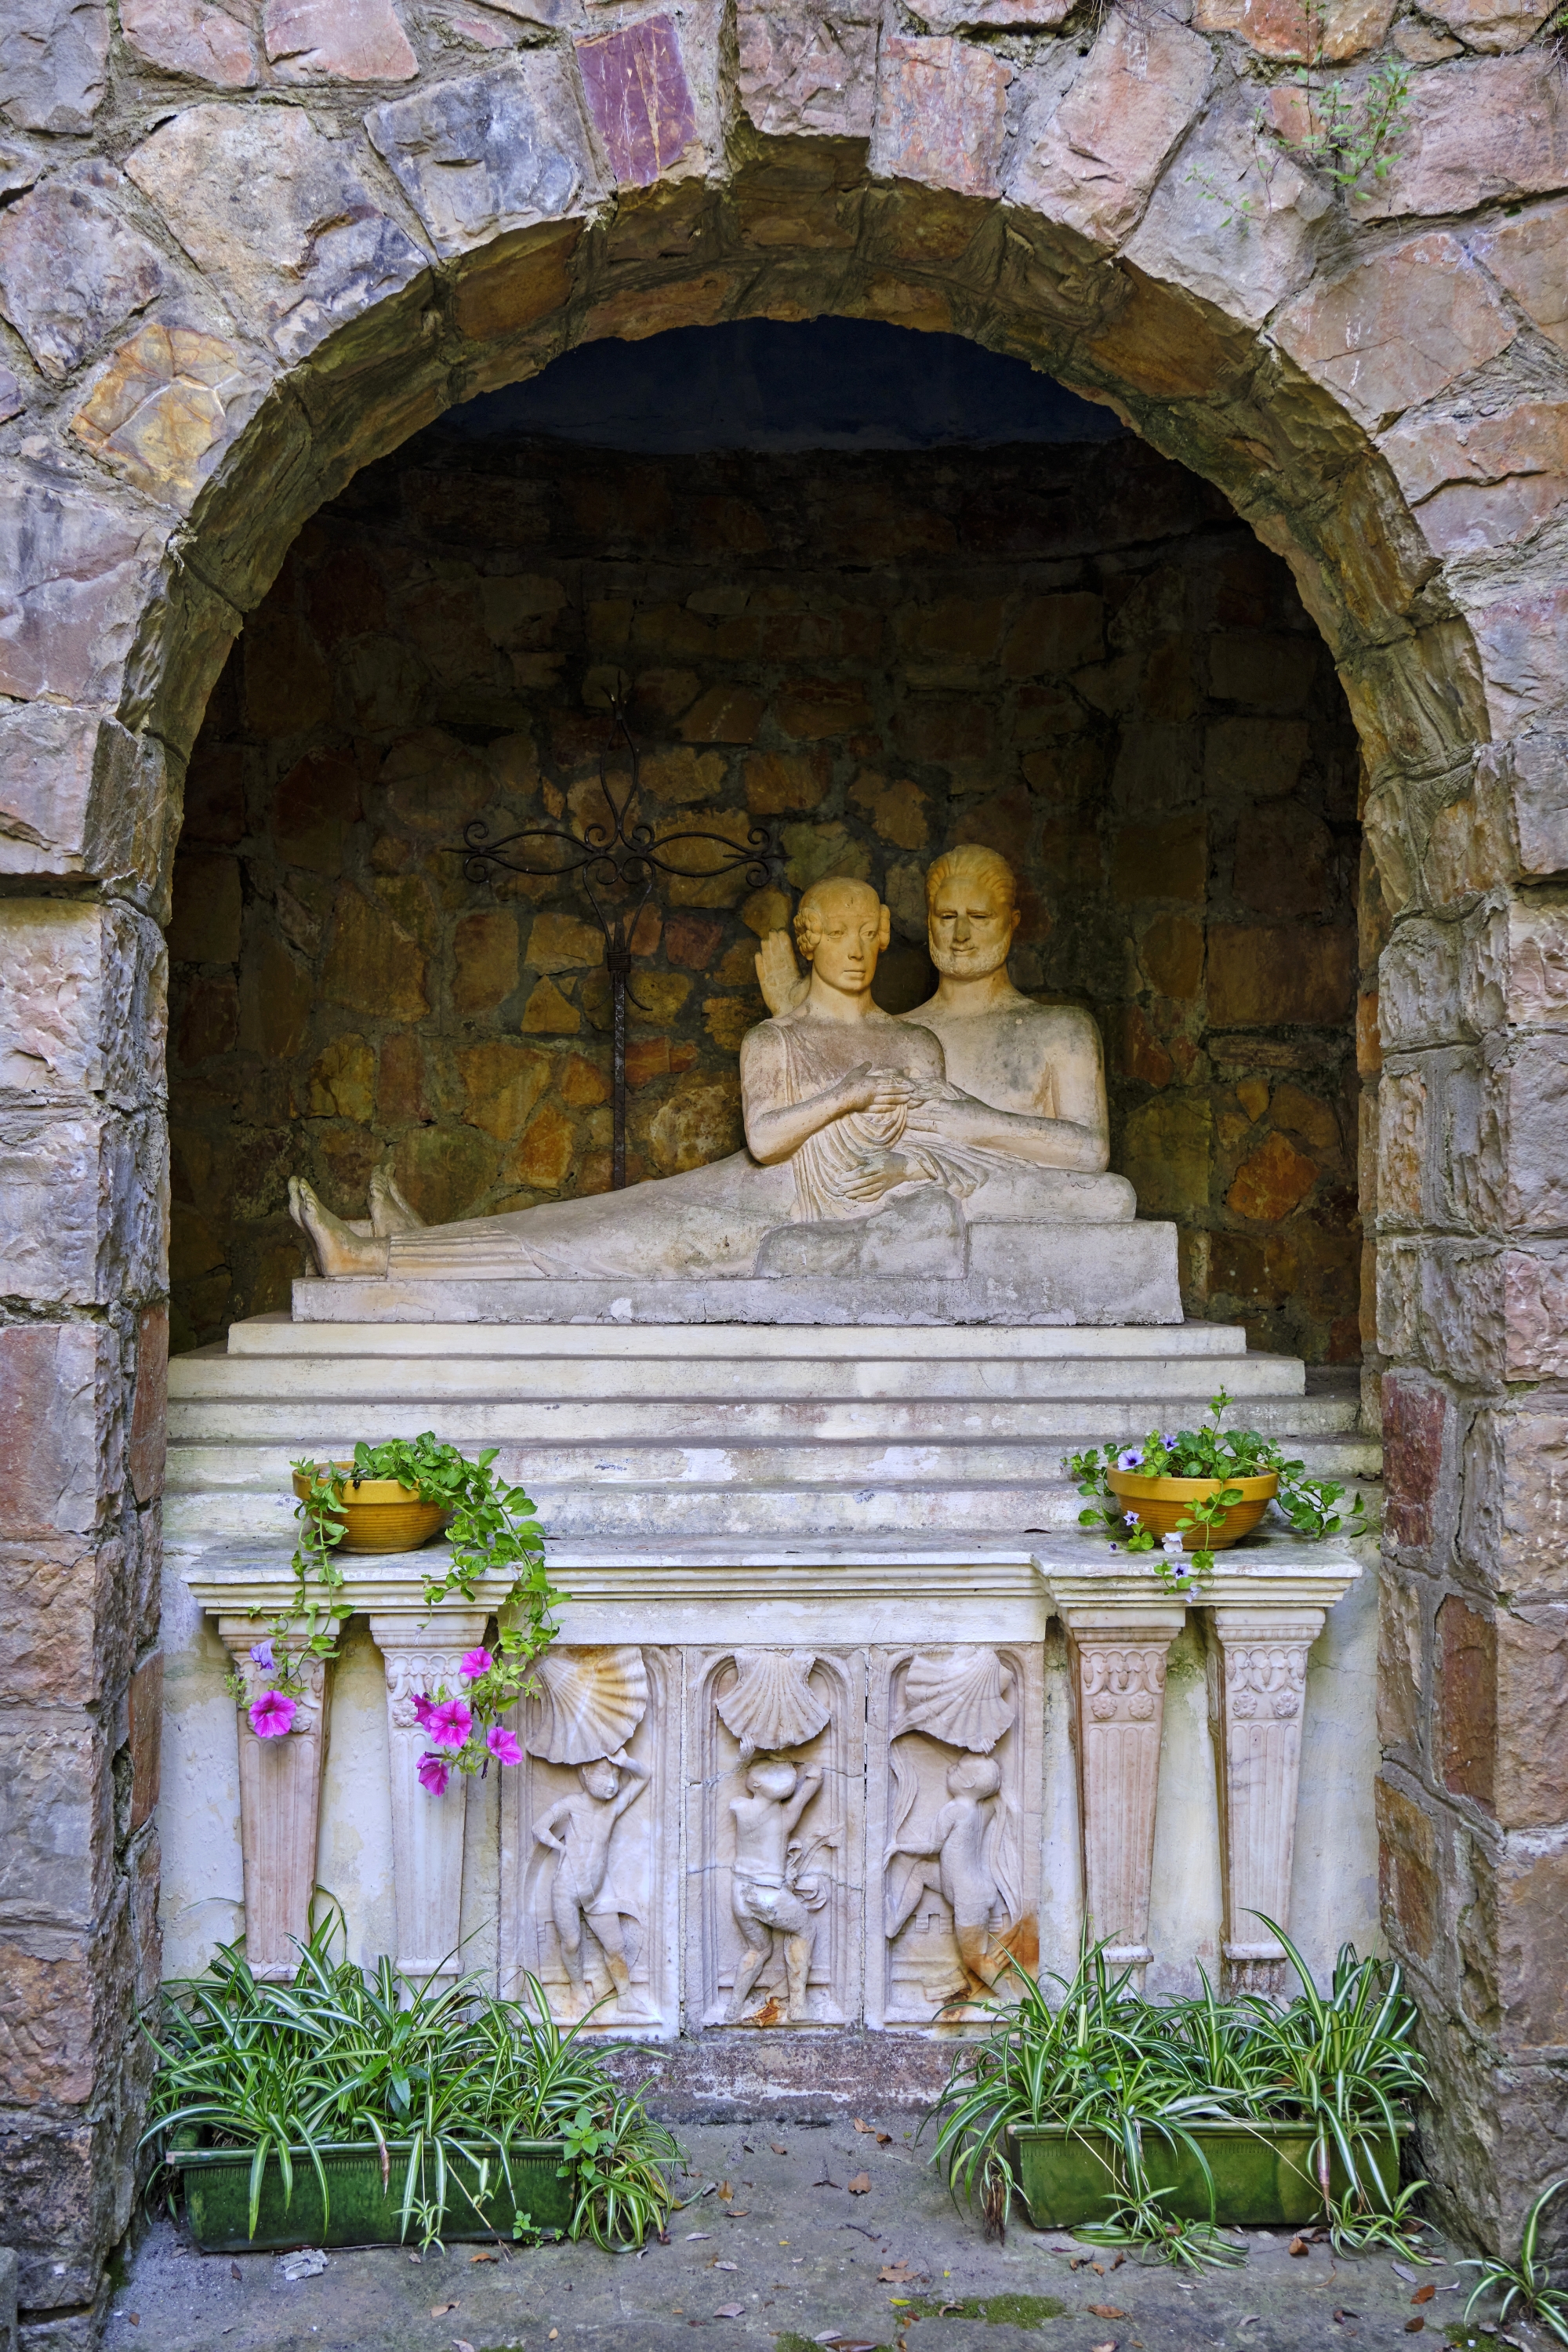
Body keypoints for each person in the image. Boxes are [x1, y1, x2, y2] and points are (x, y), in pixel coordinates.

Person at [532, 1747, 650, 2016]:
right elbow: (539, 1827)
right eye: (606, 1776)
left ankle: (626, 1997)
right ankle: (576, 1989)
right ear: (585, 1774)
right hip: (567, 1887)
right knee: (571, 1943)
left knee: (615, 1946)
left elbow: (644, 1777)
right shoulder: (571, 1804)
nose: (612, 1785)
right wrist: (559, 1848)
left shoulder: (612, 1808)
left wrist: (626, 1761)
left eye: (617, 1777)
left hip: (598, 1890)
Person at [884, 1754, 1010, 2005]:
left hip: (968, 1896)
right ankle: (894, 1925)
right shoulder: (976, 1809)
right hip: (961, 1885)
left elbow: (933, 1846)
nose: (951, 1767)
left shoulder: (955, 1810)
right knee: (921, 1871)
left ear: (970, 1782)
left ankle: (1016, 2004)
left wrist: (898, 1846)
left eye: (959, 1769)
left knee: (975, 1960)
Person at [724, 1757, 826, 2024]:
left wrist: (746, 1760)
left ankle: (733, 2006)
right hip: (769, 1896)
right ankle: (798, 2005)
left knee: (759, 1949)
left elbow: (747, 1782)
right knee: (805, 1929)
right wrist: (806, 1771)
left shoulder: (741, 1807)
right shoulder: (785, 1816)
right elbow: (812, 1783)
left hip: (741, 1893)